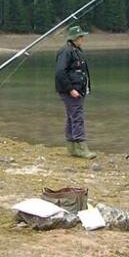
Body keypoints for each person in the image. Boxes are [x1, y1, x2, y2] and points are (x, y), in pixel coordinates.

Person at [55, 25, 96, 159]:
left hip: (78, 91)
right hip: (72, 92)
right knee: (77, 118)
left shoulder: (76, 50)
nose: (82, 39)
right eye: (80, 37)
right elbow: (60, 72)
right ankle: (81, 148)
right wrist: (70, 89)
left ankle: (72, 148)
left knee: (72, 117)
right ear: (74, 38)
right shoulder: (66, 51)